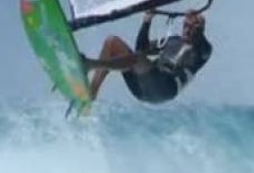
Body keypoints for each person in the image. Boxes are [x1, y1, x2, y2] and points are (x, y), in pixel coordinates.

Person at [81, 9, 213, 103]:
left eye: (192, 28)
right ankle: (91, 94)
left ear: (200, 30)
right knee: (112, 42)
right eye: (186, 26)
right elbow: (142, 49)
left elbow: (202, 46)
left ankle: (90, 64)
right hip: (141, 86)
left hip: (165, 88)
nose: (187, 30)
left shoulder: (203, 50)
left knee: (138, 58)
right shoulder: (173, 40)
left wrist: (199, 28)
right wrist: (147, 20)